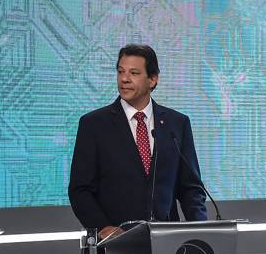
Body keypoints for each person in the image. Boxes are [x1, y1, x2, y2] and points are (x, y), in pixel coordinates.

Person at [68, 44, 207, 239]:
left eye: (134, 73)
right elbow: (80, 190)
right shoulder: (93, 125)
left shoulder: (177, 124)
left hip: (167, 246)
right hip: (114, 246)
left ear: (153, 79)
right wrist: (104, 228)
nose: (124, 79)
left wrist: (202, 231)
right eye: (120, 72)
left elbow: (191, 189)